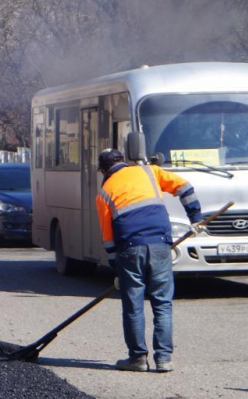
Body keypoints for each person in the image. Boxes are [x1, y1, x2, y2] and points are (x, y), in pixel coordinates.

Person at [95, 149, 203, 373]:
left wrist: (117, 269)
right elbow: (185, 187)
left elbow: (108, 237)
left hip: (129, 249)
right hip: (160, 244)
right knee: (162, 303)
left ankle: (137, 359)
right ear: (122, 161)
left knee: (133, 307)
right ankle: (164, 359)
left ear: (103, 170)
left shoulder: (104, 193)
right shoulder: (149, 171)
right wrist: (196, 218)